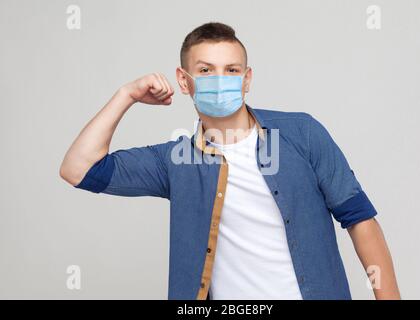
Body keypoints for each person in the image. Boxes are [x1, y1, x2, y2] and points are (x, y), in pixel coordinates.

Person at [59, 22, 400, 300]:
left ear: (247, 79)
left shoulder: (303, 133)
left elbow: (360, 219)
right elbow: (78, 169)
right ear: (183, 80)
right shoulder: (175, 161)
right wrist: (127, 95)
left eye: (231, 70)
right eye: (205, 70)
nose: (220, 80)